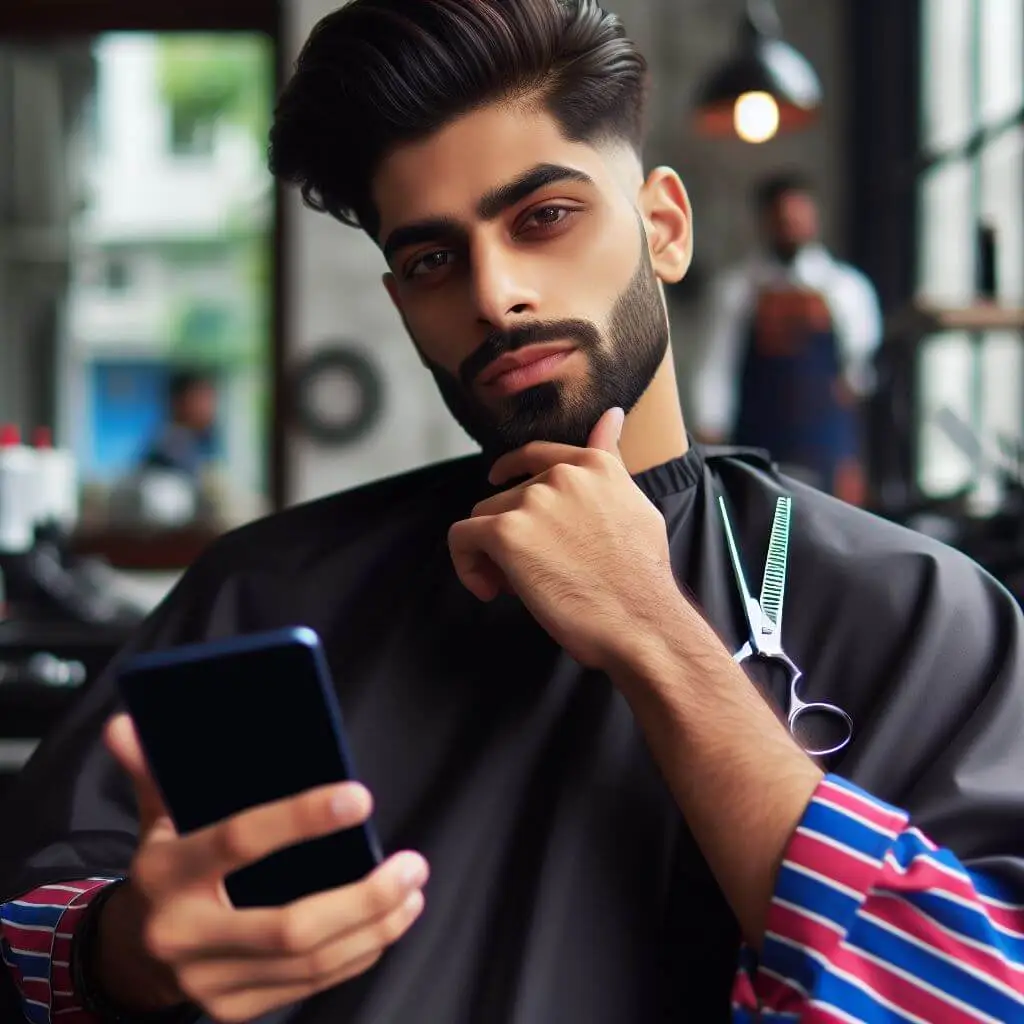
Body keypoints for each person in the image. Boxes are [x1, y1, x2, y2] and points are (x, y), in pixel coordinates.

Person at [0, 2, 1022, 1022]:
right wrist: (119, 952)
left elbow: (978, 993)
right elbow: (33, 919)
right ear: (404, 304)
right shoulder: (267, 588)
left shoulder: (922, 614)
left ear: (662, 227)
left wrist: (653, 629)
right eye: (435, 259)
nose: (496, 294)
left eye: (544, 216)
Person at [691, 173, 883, 505]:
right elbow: (714, 365)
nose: (791, 225)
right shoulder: (736, 290)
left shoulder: (847, 289)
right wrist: (710, 432)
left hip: (826, 439)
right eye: (782, 218)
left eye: (798, 217)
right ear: (765, 222)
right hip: (758, 434)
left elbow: (863, 369)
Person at [141, 370, 219, 482]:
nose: (209, 407)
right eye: (202, 398)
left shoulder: (201, 441)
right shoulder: (168, 449)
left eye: (211, 399)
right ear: (179, 402)